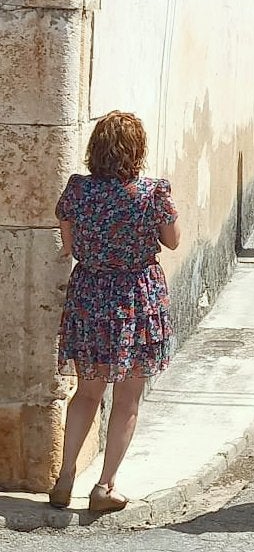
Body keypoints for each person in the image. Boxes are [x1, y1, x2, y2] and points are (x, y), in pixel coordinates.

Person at [49, 112, 180, 512]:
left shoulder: (77, 190)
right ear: (137, 150)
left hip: (89, 296)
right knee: (127, 397)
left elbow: (68, 243)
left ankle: (66, 475)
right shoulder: (151, 193)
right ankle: (104, 486)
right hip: (135, 298)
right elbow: (172, 241)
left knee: (87, 391)